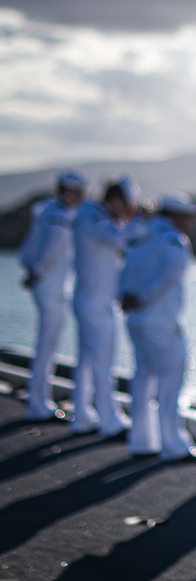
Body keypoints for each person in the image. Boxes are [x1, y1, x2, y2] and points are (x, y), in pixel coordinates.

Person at [119, 193, 196, 462]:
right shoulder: (174, 241)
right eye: (189, 216)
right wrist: (143, 297)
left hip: (136, 320)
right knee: (171, 383)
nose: (192, 222)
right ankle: (173, 445)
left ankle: (142, 441)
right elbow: (167, 276)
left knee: (143, 379)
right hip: (161, 321)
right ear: (176, 216)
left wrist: (125, 295)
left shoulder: (140, 236)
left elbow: (122, 269)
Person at [71, 176, 144, 439]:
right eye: (127, 205)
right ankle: (109, 420)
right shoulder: (95, 219)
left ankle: (82, 416)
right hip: (95, 302)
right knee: (103, 362)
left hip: (92, 299)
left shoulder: (92, 216)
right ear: (114, 201)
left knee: (88, 361)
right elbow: (121, 240)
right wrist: (139, 221)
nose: (128, 212)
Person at [18, 169, 87, 422]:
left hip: (45, 286)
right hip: (53, 288)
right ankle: (39, 403)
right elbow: (51, 250)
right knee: (48, 346)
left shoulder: (46, 211)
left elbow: (28, 248)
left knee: (44, 345)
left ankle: (38, 399)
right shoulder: (60, 217)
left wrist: (32, 271)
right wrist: (38, 272)